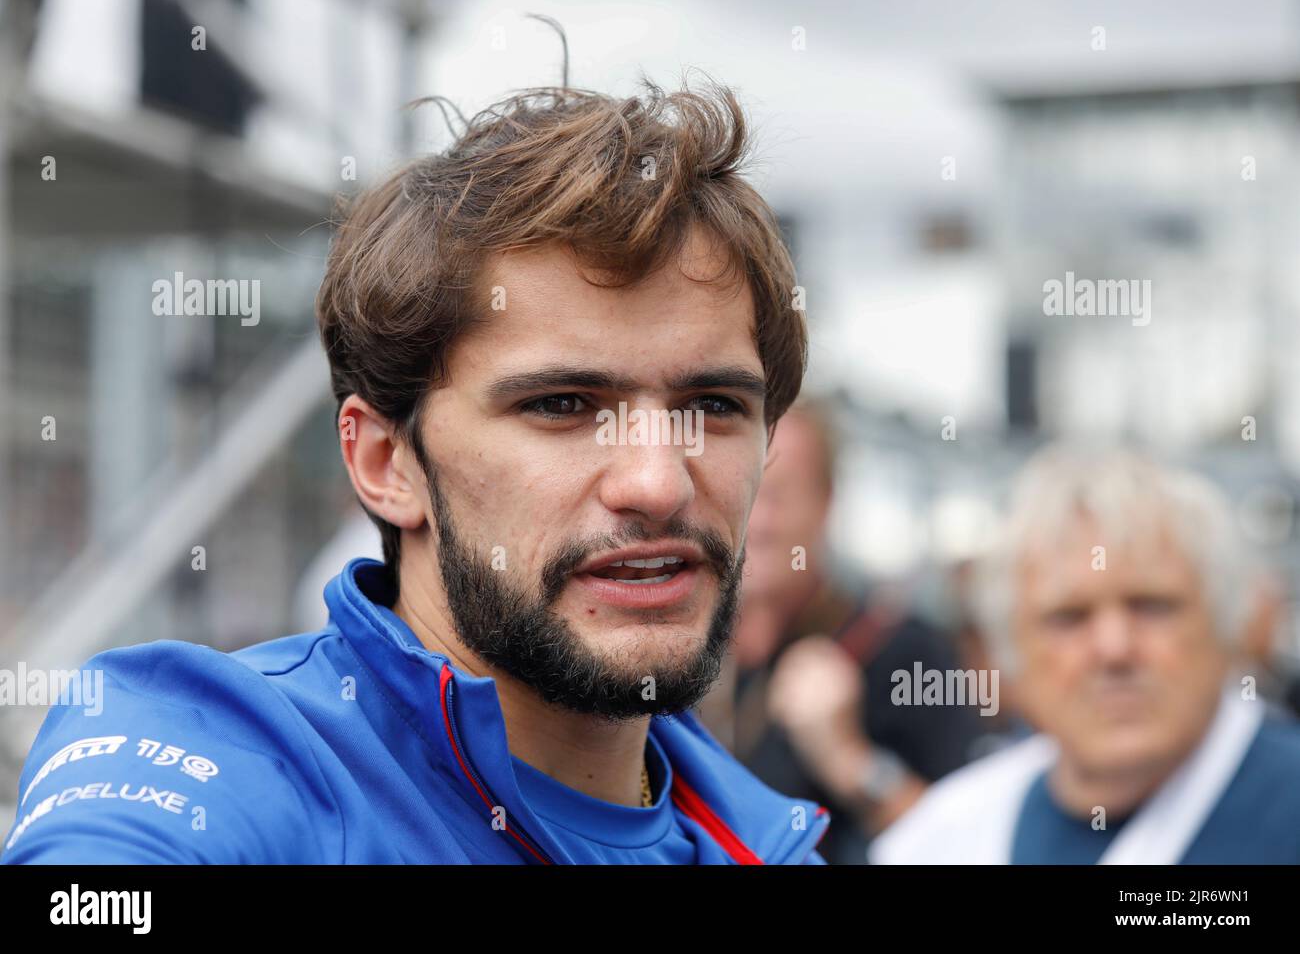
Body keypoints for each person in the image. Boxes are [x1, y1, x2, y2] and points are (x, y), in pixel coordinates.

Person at [2, 78, 829, 864]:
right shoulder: (223, 745)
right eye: (563, 406)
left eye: (714, 406)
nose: (657, 484)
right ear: (384, 461)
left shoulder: (761, 835)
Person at [870, 445, 1300, 864]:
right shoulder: (941, 839)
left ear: (1226, 622)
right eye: (1069, 618)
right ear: (1007, 650)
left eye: (1151, 606)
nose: (1114, 648)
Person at [715, 400, 983, 864]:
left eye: (776, 494)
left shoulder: (902, 650)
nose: (755, 521)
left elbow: (974, 846)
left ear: (826, 502)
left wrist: (850, 759)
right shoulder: (686, 655)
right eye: (740, 492)